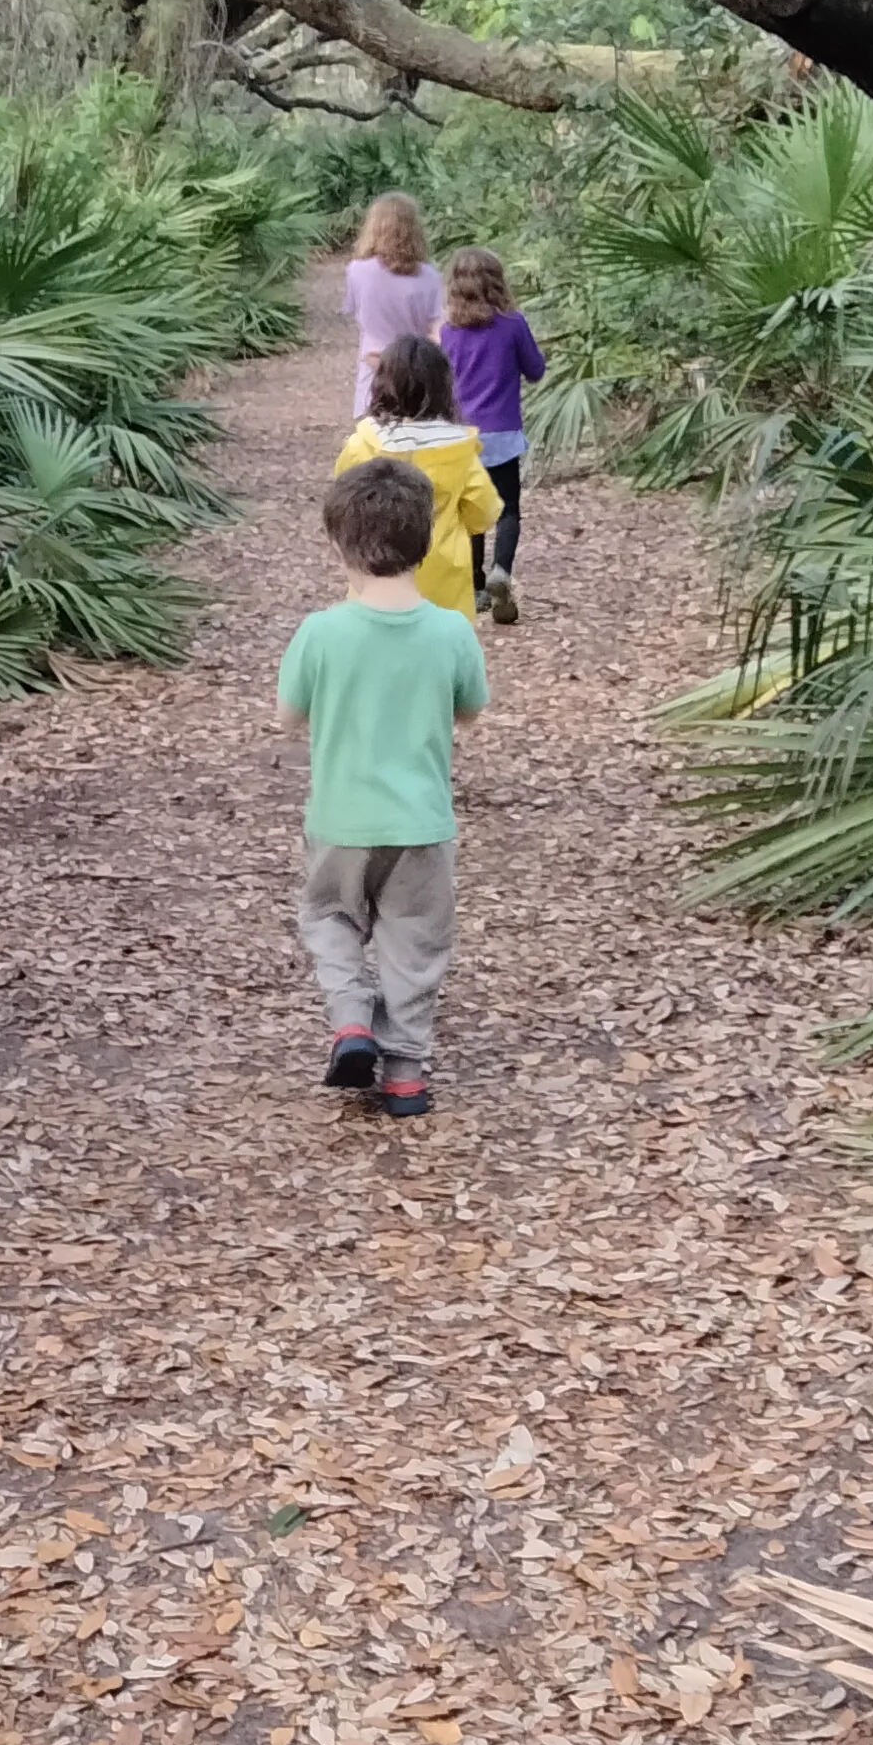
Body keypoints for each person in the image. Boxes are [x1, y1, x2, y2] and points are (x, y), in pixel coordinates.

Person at [276, 457, 489, 1122]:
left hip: (339, 819)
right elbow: (470, 711)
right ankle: (403, 1075)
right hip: (421, 823)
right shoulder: (453, 632)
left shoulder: (320, 633)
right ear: (424, 539)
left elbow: (286, 717)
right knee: (414, 941)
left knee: (329, 919)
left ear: (337, 542)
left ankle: (350, 1023)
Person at [332, 333, 501, 621]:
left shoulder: (362, 444)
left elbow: (343, 505)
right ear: (442, 386)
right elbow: (482, 513)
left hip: (374, 577)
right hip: (445, 583)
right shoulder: (459, 450)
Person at [441, 244, 546, 624]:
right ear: (497, 283)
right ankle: (502, 569)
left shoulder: (447, 332)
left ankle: (476, 586)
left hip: (462, 436)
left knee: (470, 514)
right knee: (507, 509)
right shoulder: (512, 325)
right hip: (502, 433)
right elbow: (535, 370)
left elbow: (442, 382)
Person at [342, 190, 445, 416]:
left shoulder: (357, 271)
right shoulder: (430, 276)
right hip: (416, 375)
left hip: (373, 372)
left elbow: (353, 310)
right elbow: (437, 330)